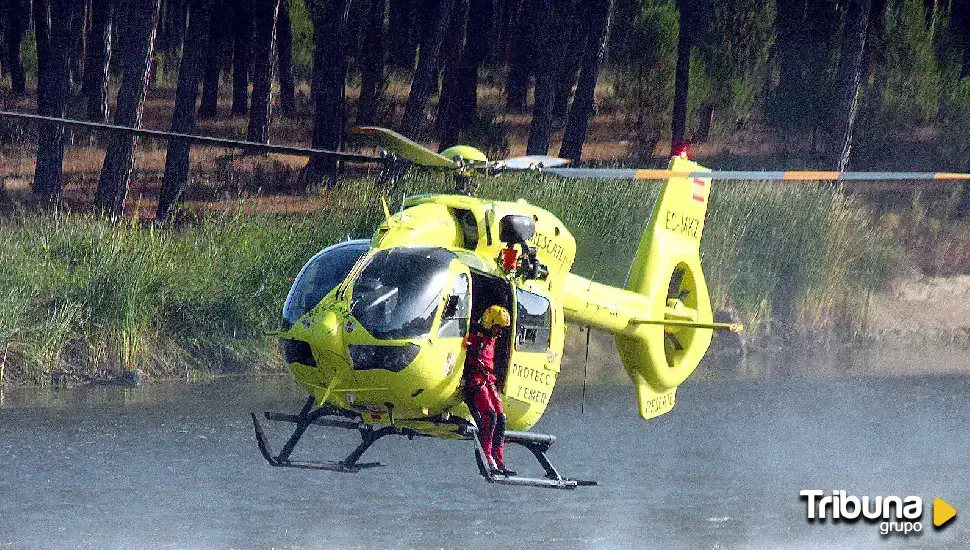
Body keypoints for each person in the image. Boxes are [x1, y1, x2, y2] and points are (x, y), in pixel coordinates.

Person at [462, 305, 515, 476]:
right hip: (476, 379)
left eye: (501, 328)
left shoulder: (491, 339)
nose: (499, 332)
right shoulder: (475, 336)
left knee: (501, 418)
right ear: (489, 322)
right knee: (490, 416)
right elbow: (464, 346)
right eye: (497, 327)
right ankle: (488, 457)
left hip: (488, 379)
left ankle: (499, 461)